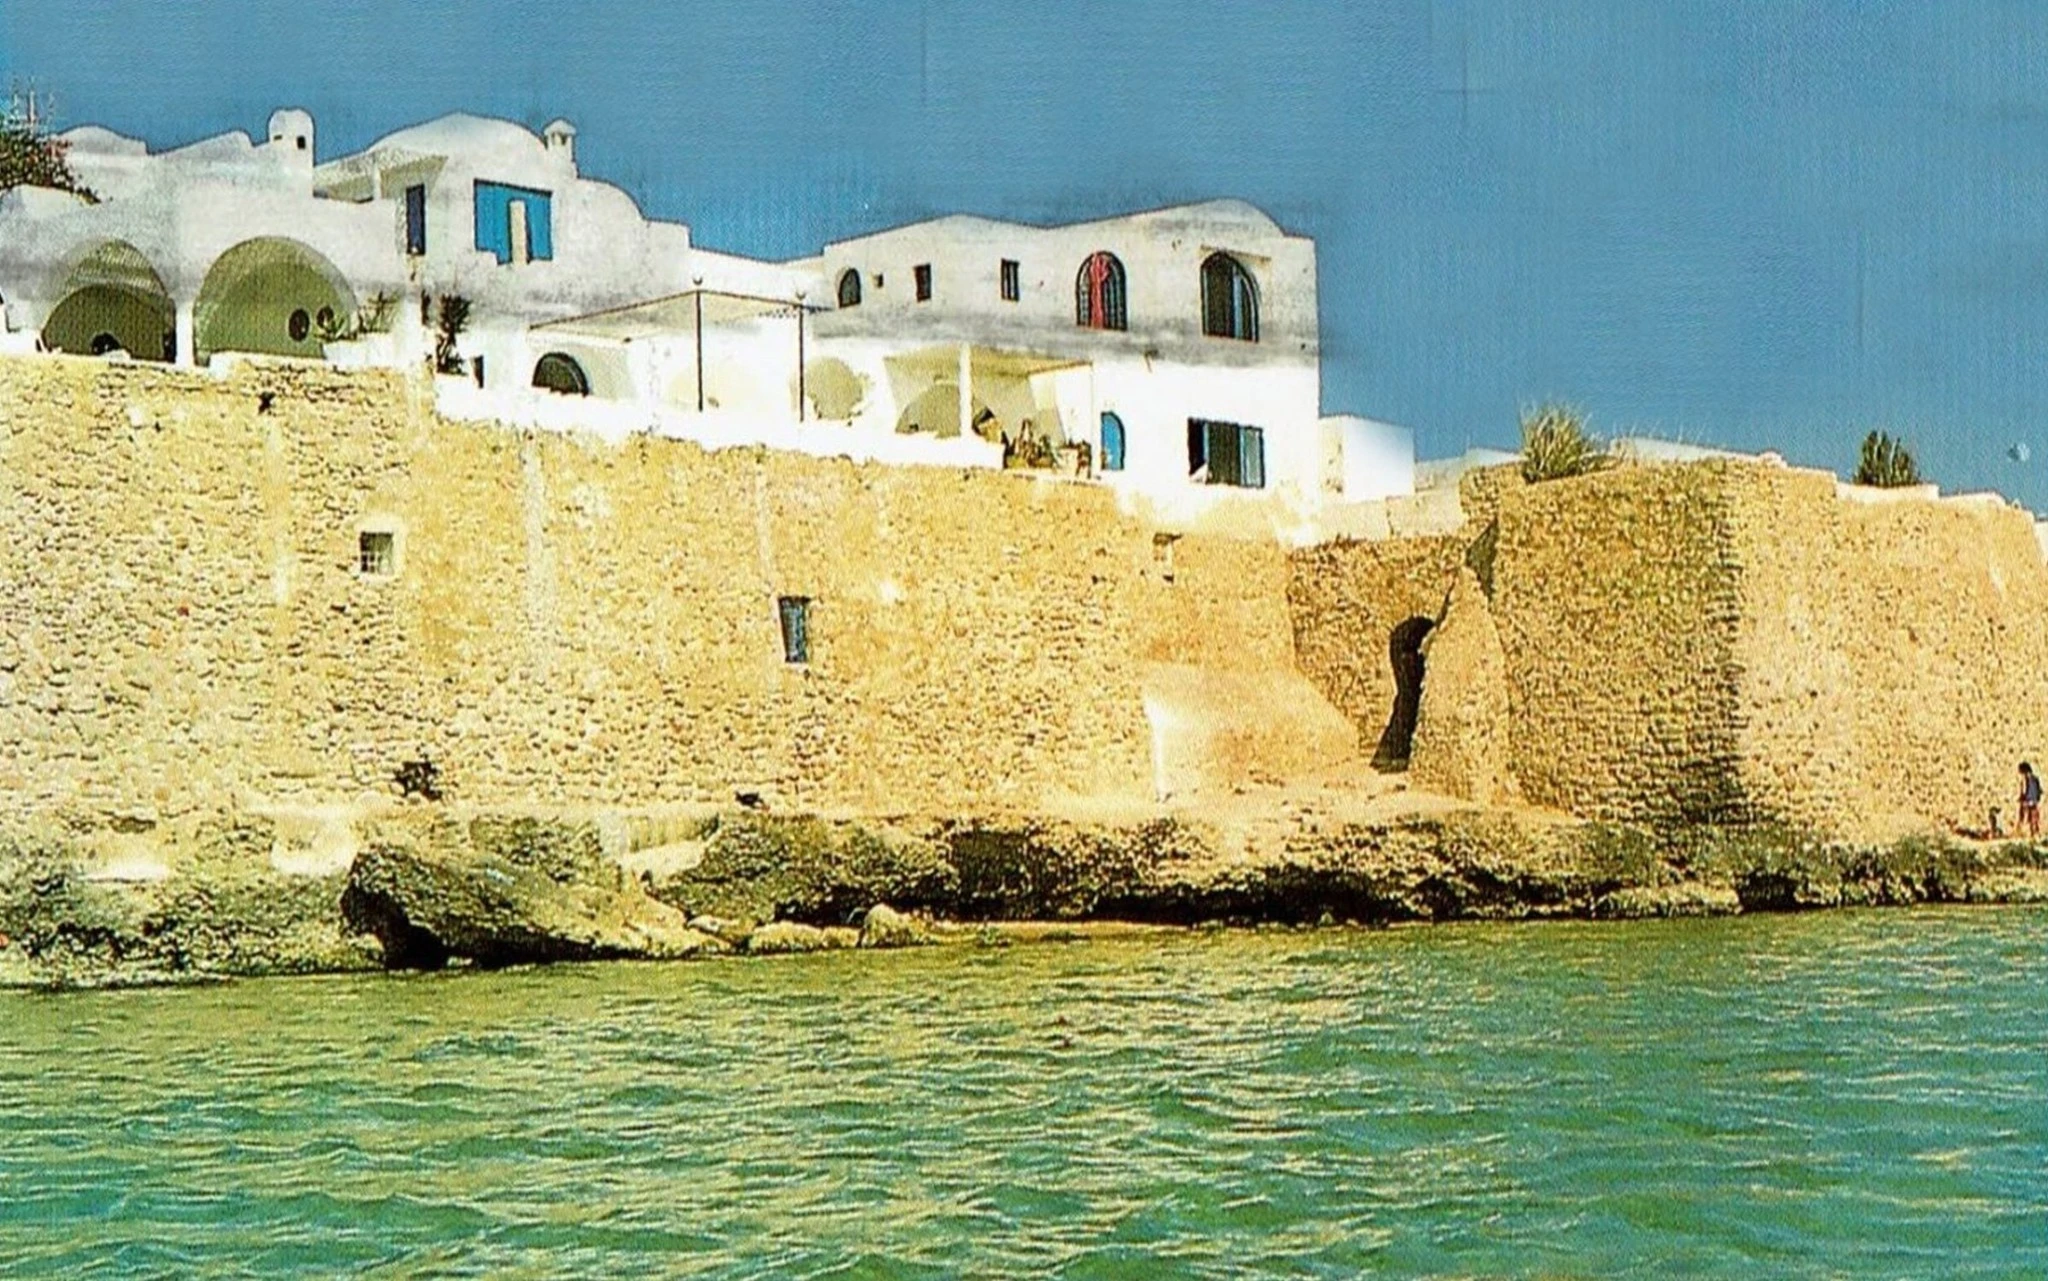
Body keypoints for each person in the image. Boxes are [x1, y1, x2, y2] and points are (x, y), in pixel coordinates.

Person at [2019, 762, 2042, 838]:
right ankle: (2033, 834)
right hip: (2031, 802)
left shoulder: (2032, 780)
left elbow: (2034, 792)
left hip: (2032, 802)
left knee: (2033, 819)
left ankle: (2035, 834)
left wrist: (2030, 800)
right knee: (2031, 820)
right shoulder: (2029, 780)